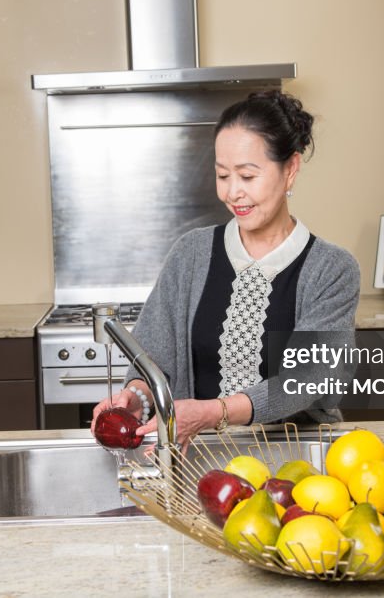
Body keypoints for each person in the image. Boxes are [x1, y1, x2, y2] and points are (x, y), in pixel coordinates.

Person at [91, 90, 360, 448]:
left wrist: (213, 412)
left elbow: (309, 378)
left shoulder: (332, 270)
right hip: (198, 455)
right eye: (222, 175)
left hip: (295, 456)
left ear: (290, 169)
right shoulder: (191, 253)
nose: (233, 193)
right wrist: (136, 397)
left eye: (248, 177)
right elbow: (153, 357)